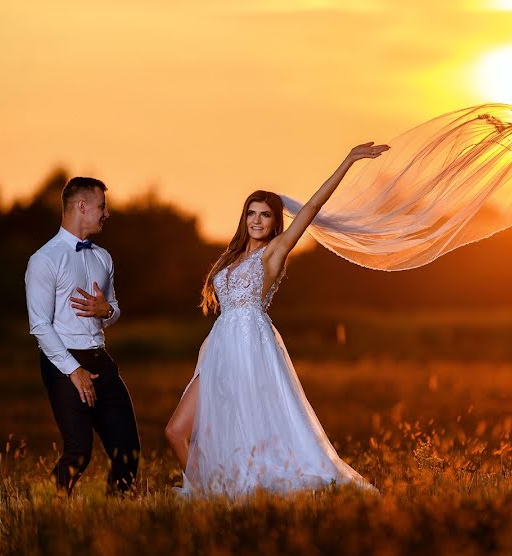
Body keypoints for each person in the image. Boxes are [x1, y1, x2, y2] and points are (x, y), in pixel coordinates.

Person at [166, 142, 388, 496]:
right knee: (175, 431)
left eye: (265, 215)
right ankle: (212, 495)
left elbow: (312, 207)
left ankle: (228, 501)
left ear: (274, 223)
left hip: (251, 349)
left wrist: (347, 160)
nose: (257, 220)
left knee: (247, 432)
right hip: (220, 351)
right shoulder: (232, 257)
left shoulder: (274, 254)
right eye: (251, 213)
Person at [25, 177, 141, 495]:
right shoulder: (44, 260)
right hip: (63, 362)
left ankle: (116, 516)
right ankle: (51, 510)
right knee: (79, 453)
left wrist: (106, 311)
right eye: (102, 206)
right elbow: (40, 326)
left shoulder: (103, 258)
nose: (107, 213)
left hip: (100, 358)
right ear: (81, 206)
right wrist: (73, 370)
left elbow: (113, 311)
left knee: (128, 451)